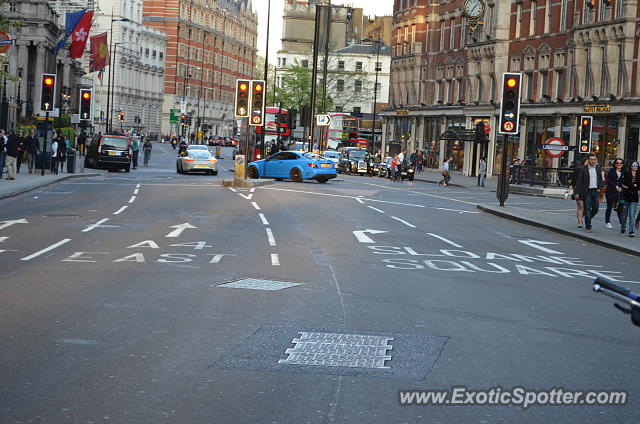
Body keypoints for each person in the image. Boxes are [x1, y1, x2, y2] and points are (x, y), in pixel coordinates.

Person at [574, 153, 604, 233]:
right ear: (588, 160)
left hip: (596, 191)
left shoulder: (598, 167)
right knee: (587, 209)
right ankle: (588, 226)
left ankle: (588, 218)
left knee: (595, 209)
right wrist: (576, 193)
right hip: (587, 191)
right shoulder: (583, 169)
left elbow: (601, 179)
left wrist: (600, 188)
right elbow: (579, 181)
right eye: (591, 160)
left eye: (594, 159)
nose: (593, 161)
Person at [605, 158, 625, 229]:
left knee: (619, 208)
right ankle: (607, 222)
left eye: (621, 163)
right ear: (615, 164)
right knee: (609, 207)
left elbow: (625, 181)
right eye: (617, 163)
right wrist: (616, 186)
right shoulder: (611, 171)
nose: (619, 164)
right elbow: (610, 181)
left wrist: (621, 188)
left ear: (623, 164)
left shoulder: (624, 172)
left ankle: (622, 222)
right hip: (611, 191)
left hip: (620, 192)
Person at [621, 161, 639, 237]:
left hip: (634, 198)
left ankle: (631, 231)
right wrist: (625, 186)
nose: (635, 167)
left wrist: (634, 186)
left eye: (636, 165)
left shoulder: (639, 175)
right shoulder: (626, 173)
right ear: (631, 166)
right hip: (626, 196)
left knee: (632, 214)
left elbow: (638, 186)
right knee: (625, 215)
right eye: (633, 165)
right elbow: (622, 183)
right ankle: (623, 227)